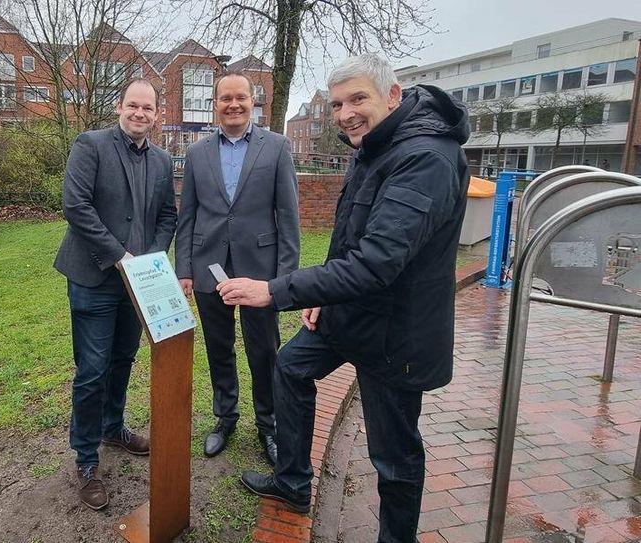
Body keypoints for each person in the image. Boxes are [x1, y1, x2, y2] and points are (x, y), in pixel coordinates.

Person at [217, 53, 470, 541]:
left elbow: (377, 262)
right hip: (351, 313)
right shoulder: (376, 144)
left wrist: (273, 290)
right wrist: (327, 297)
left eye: (358, 99)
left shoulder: (426, 158)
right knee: (290, 368)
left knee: (393, 455)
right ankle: (292, 483)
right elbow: (350, 239)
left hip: (397, 333)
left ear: (392, 95)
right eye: (336, 104)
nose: (345, 113)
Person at [54, 78, 177, 510]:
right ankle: (86, 460)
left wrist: (151, 261)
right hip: (93, 277)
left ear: (157, 114)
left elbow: (167, 216)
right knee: (91, 369)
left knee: (124, 358)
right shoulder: (91, 145)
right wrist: (120, 256)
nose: (139, 113)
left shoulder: (162, 160)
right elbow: (76, 205)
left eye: (148, 108)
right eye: (133, 106)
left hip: (138, 283)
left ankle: (112, 426)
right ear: (119, 108)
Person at [175, 71, 300, 467]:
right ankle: (225, 416)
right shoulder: (197, 154)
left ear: (252, 101)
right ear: (215, 103)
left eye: (240, 98)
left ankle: (269, 423)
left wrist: (283, 281)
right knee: (219, 348)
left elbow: (288, 218)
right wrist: (184, 269)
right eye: (225, 98)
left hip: (261, 272)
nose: (233, 104)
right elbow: (188, 216)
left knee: (264, 351)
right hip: (209, 268)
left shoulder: (276, 148)